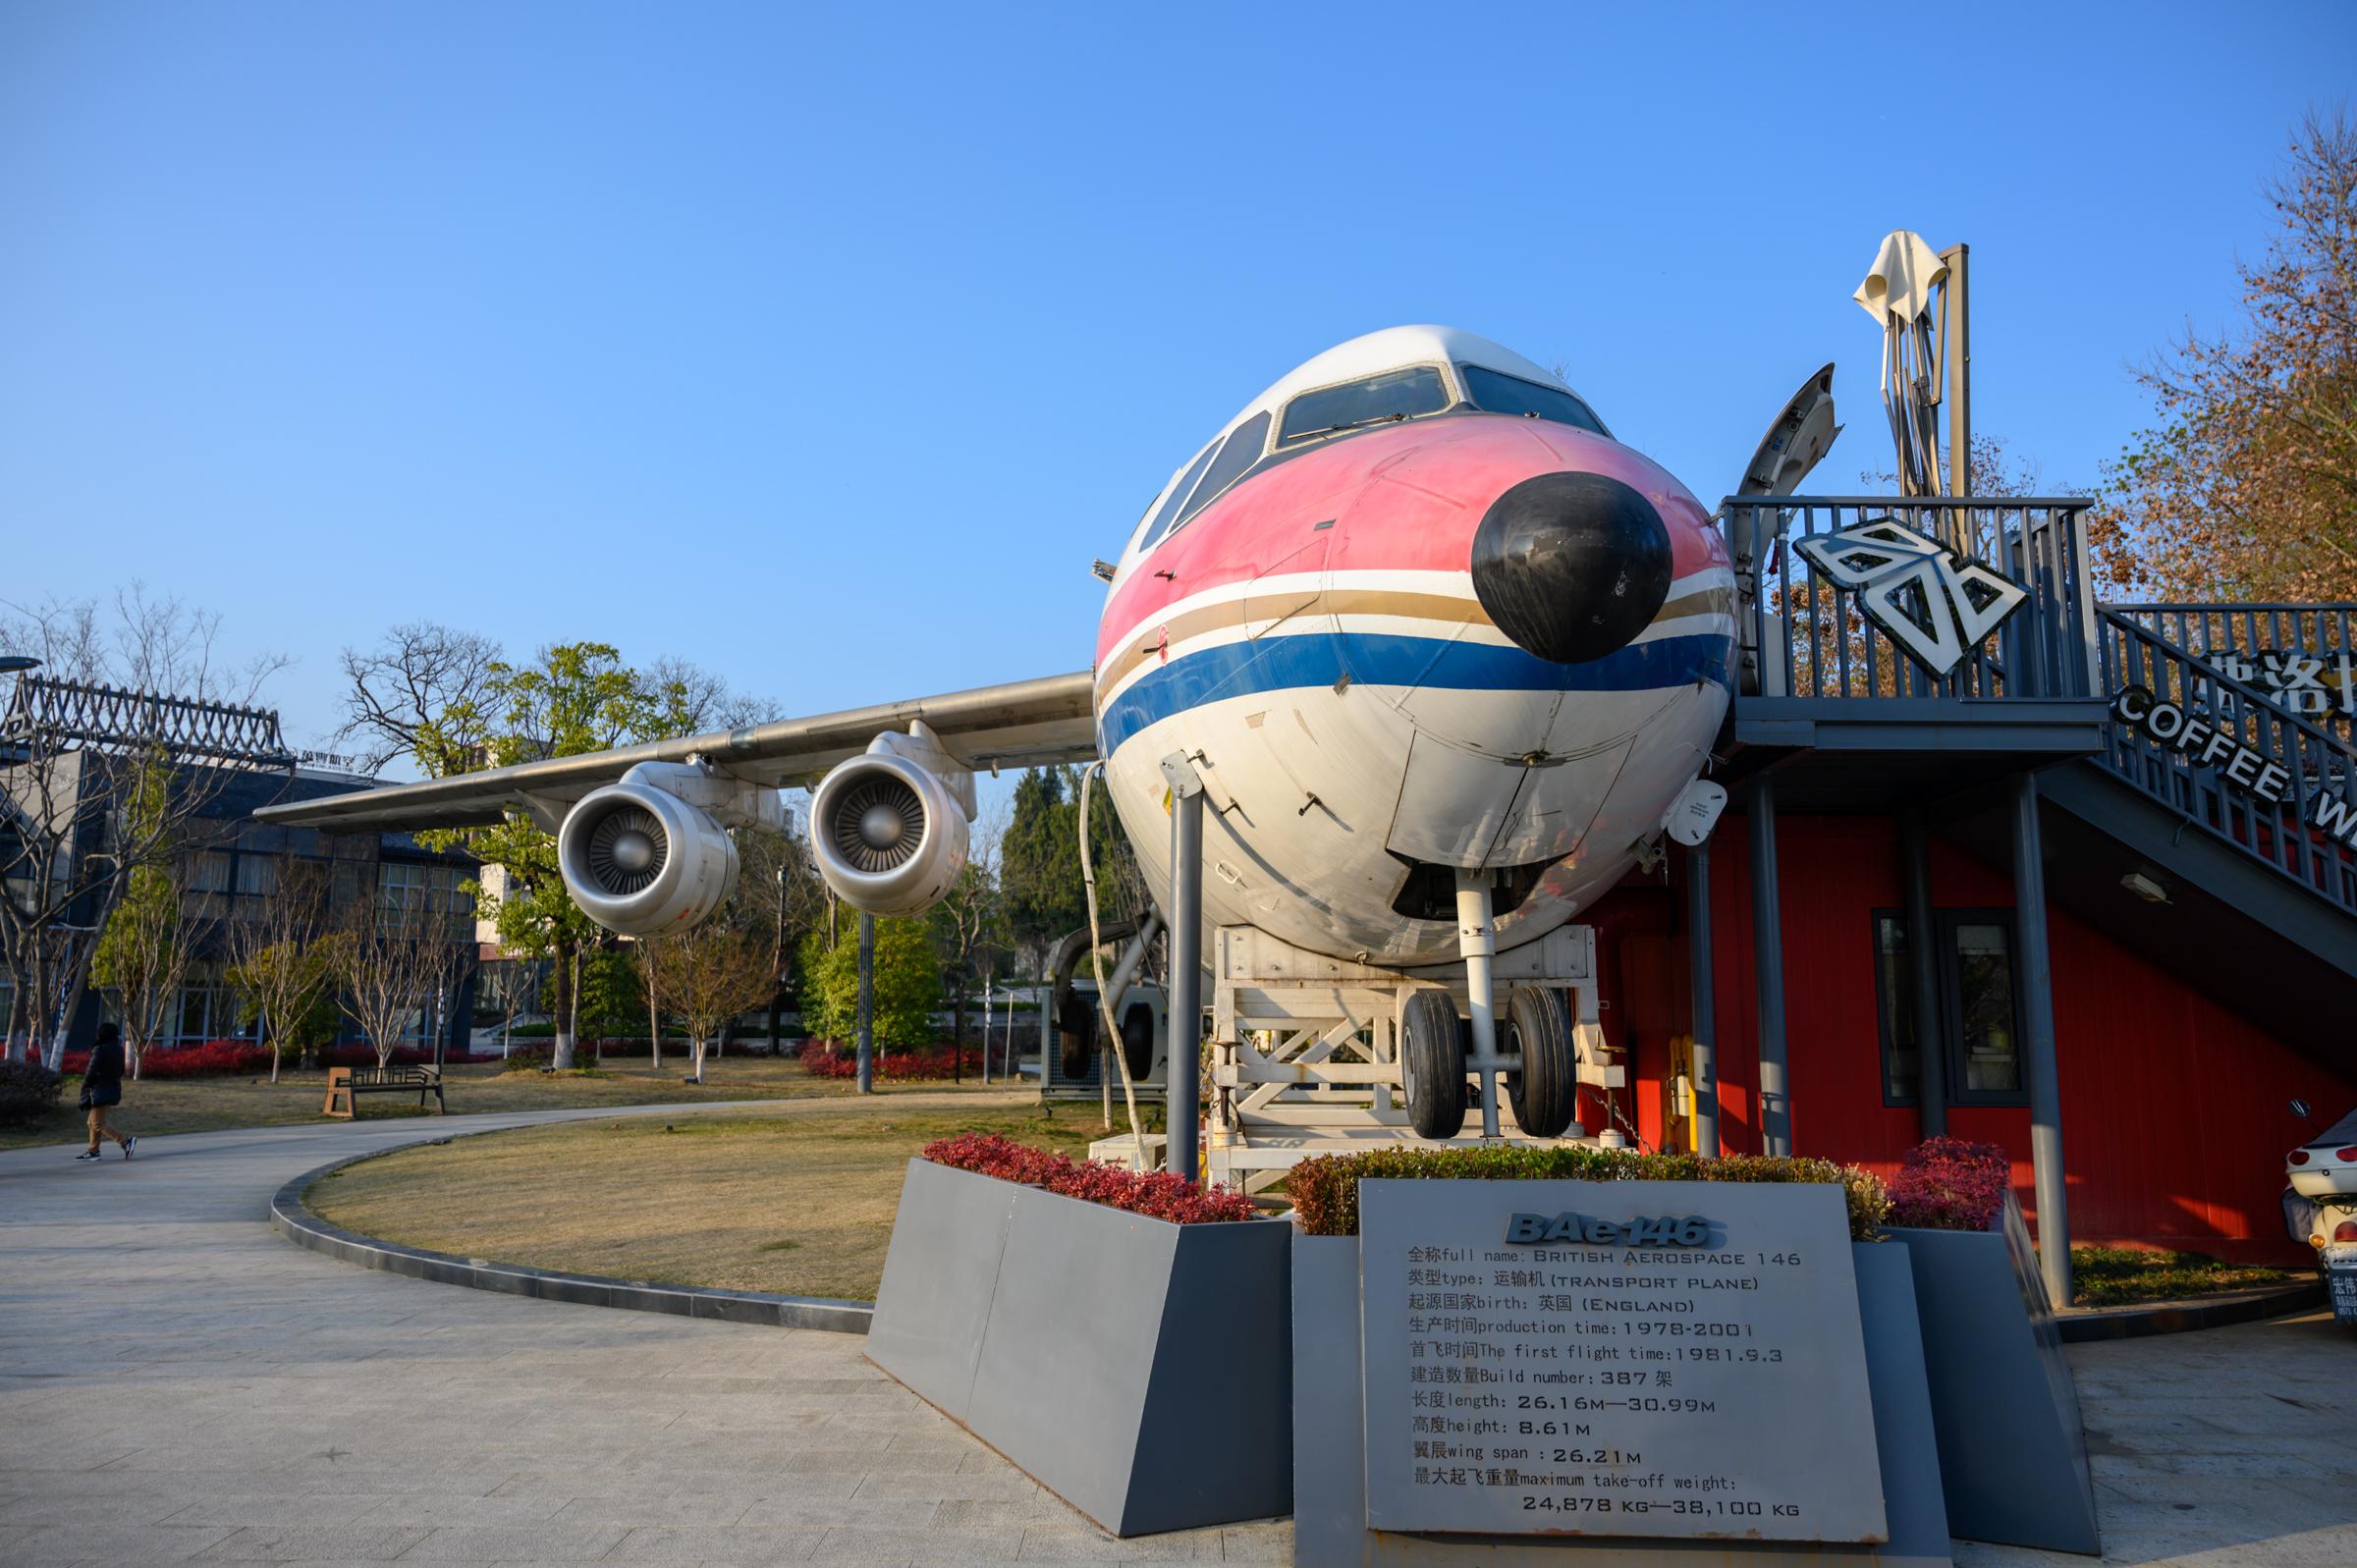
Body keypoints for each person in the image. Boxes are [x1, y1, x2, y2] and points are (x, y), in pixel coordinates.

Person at [76, 1021, 137, 1162]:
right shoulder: (118, 1049)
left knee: (97, 1123)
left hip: (99, 1090)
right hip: (111, 1088)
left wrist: (85, 1086)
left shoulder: (100, 1049)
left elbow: (91, 1072)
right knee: (93, 1122)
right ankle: (93, 1151)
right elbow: (121, 1071)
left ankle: (125, 1141)